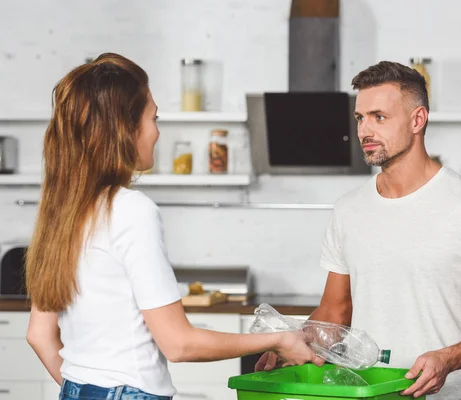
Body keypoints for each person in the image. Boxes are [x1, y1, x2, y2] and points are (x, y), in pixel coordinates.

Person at [25, 53, 323, 400]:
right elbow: (178, 344)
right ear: (125, 127)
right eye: (153, 117)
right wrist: (279, 339)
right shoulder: (131, 209)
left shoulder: (62, 212)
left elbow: (39, 335)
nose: (156, 131)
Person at [256, 61, 461, 400]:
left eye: (379, 117)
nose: (365, 130)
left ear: (418, 119)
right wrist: (292, 345)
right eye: (360, 118)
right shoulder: (349, 209)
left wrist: (447, 358)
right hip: (373, 394)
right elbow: (335, 311)